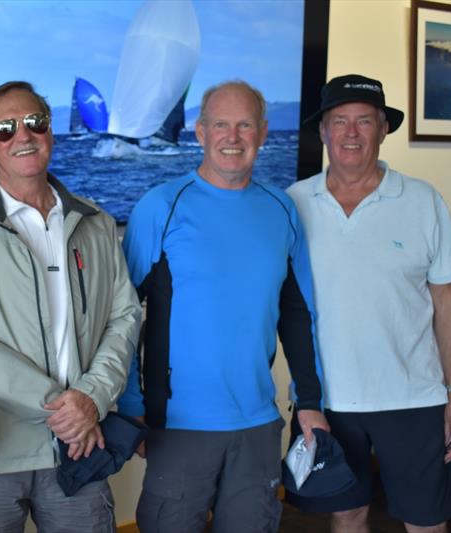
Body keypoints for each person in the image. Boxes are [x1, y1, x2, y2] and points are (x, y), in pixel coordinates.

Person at [0, 81, 141, 533]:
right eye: (4, 128)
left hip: (80, 448)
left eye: (35, 123)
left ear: (51, 133)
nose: (22, 135)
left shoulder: (96, 222)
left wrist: (92, 398)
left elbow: (124, 316)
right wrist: (64, 408)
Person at [117, 80, 329, 533]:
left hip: (257, 423)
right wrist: (132, 403)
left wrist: (309, 400)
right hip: (177, 425)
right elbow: (122, 315)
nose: (233, 137)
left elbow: (297, 314)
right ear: (199, 132)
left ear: (264, 133)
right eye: (220, 125)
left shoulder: (281, 210)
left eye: (245, 125)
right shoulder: (160, 207)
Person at [285, 74, 451, 532]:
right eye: (339, 121)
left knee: (426, 520)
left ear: (383, 129)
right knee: (347, 514)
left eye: (364, 121)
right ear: (322, 130)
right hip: (329, 401)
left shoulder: (423, 201)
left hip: (413, 398)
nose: (351, 133)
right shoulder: (294, 203)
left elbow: (447, 301)